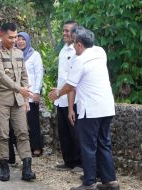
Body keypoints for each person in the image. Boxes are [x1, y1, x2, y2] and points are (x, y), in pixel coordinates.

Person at [49, 26, 119, 190]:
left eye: (74, 43)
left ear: (79, 44)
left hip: (91, 109)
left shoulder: (80, 60)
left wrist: (57, 93)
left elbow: (70, 86)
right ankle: (110, 181)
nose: (73, 47)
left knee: (88, 146)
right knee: (104, 143)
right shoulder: (100, 52)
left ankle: (89, 183)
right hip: (107, 107)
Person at [0, 22, 36, 182]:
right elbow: (1, 77)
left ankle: (27, 168)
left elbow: (24, 74)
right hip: (1, 98)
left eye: (16, 36)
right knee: (2, 134)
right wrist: (19, 89)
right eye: (11, 37)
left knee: (23, 132)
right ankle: (4, 165)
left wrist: (25, 95)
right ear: (2, 36)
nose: (14, 40)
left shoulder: (19, 52)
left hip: (18, 99)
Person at [53, 20, 81, 171]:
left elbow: (73, 80)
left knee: (75, 132)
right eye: (63, 30)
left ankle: (79, 162)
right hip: (61, 97)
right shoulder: (63, 50)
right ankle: (68, 160)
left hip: (73, 98)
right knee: (64, 132)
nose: (65, 33)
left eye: (68, 31)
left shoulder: (77, 51)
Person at [16, 32, 44, 157]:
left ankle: (36, 147)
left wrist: (37, 92)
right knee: (20, 122)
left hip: (31, 93)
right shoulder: (15, 54)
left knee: (33, 121)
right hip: (18, 92)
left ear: (27, 41)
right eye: (18, 39)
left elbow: (39, 74)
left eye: (23, 39)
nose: (20, 42)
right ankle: (23, 148)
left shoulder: (34, 55)